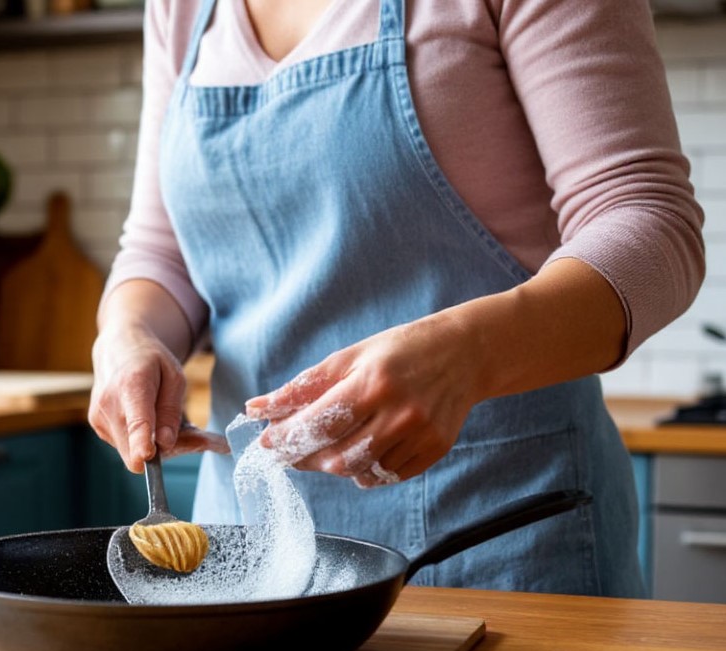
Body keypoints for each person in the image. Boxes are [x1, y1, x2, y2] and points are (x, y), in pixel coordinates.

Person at [89, 0, 705, 597]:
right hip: (249, 557)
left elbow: (649, 223)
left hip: (492, 540)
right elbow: (160, 252)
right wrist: (127, 337)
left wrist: (467, 355)